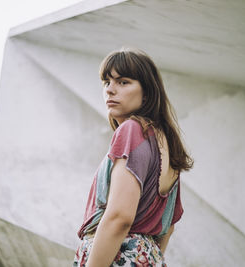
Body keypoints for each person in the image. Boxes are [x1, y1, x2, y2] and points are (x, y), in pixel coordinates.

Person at [73, 47, 193, 267]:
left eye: (123, 82)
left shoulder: (132, 130)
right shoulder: (166, 144)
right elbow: (168, 227)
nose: (110, 90)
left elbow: (119, 217)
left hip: (115, 255)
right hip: (147, 256)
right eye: (106, 82)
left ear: (147, 92)